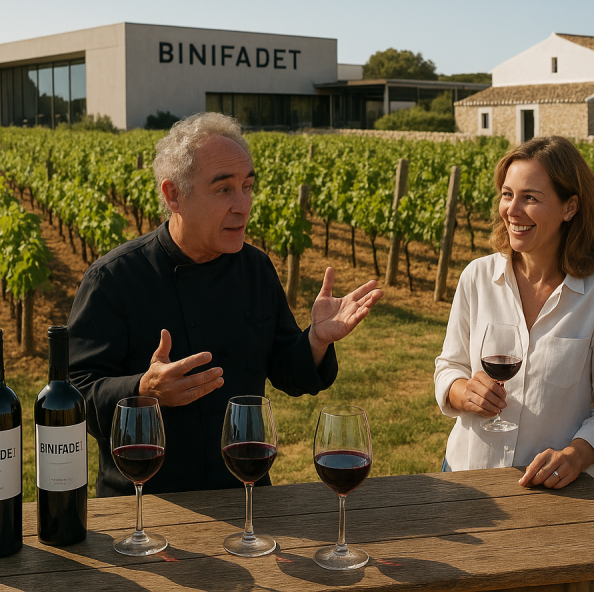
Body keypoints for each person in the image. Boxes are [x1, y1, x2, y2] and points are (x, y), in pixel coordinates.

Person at [68, 112, 383, 497]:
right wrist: (143, 389)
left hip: (246, 492)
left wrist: (316, 340)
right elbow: (76, 394)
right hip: (145, 502)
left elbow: (287, 370)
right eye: (223, 190)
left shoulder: (256, 268)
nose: (243, 205)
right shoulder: (114, 279)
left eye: (247, 187)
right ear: (173, 195)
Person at [434, 136, 594, 490]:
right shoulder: (477, 277)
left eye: (530, 198)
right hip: (466, 477)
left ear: (570, 207)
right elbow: (448, 367)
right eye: (507, 194)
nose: (512, 210)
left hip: (554, 490)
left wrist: (576, 455)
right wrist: (462, 392)